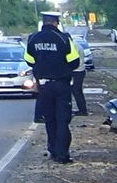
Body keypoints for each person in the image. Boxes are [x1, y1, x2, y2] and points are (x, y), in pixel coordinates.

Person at [25, 11, 80, 164]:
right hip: (61, 84)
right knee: (62, 120)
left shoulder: (33, 38)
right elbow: (75, 61)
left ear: (44, 22)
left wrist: (42, 64)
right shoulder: (64, 38)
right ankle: (63, 155)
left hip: (43, 85)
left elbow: (28, 60)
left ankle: (53, 151)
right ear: (56, 22)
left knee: (50, 119)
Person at [71, 42, 88, 116]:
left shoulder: (74, 46)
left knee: (76, 90)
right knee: (77, 90)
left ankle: (82, 110)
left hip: (77, 71)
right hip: (79, 70)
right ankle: (82, 109)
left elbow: (72, 59)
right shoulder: (77, 45)